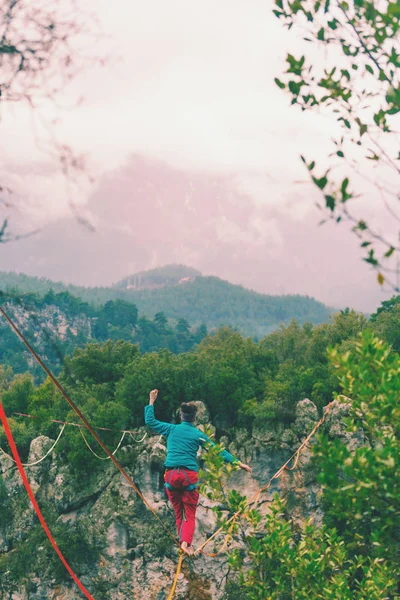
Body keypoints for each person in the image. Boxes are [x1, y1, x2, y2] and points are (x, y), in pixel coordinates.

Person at [144, 389, 252, 556]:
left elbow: (150, 420)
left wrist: (151, 400)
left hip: (171, 476)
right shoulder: (197, 435)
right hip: (188, 477)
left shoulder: (171, 429)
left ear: (181, 416)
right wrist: (238, 463)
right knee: (189, 512)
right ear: (194, 418)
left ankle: (183, 542)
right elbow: (217, 451)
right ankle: (186, 543)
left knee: (179, 511)